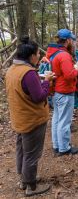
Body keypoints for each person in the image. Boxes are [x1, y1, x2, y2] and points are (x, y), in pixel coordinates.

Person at [5, 36, 54, 196]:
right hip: (32, 119)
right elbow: (39, 96)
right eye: (38, 54)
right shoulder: (29, 73)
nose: (39, 56)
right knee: (31, 154)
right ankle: (31, 186)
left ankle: (23, 179)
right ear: (31, 56)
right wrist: (46, 81)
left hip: (19, 118)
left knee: (22, 150)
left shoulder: (12, 70)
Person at [47, 29, 78, 156]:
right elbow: (69, 75)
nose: (73, 42)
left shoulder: (55, 53)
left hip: (57, 91)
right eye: (72, 40)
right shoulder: (64, 55)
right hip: (65, 92)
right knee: (64, 121)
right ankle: (64, 148)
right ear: (67, 40)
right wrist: (77, 68)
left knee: (57, 119)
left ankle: (57, 145)